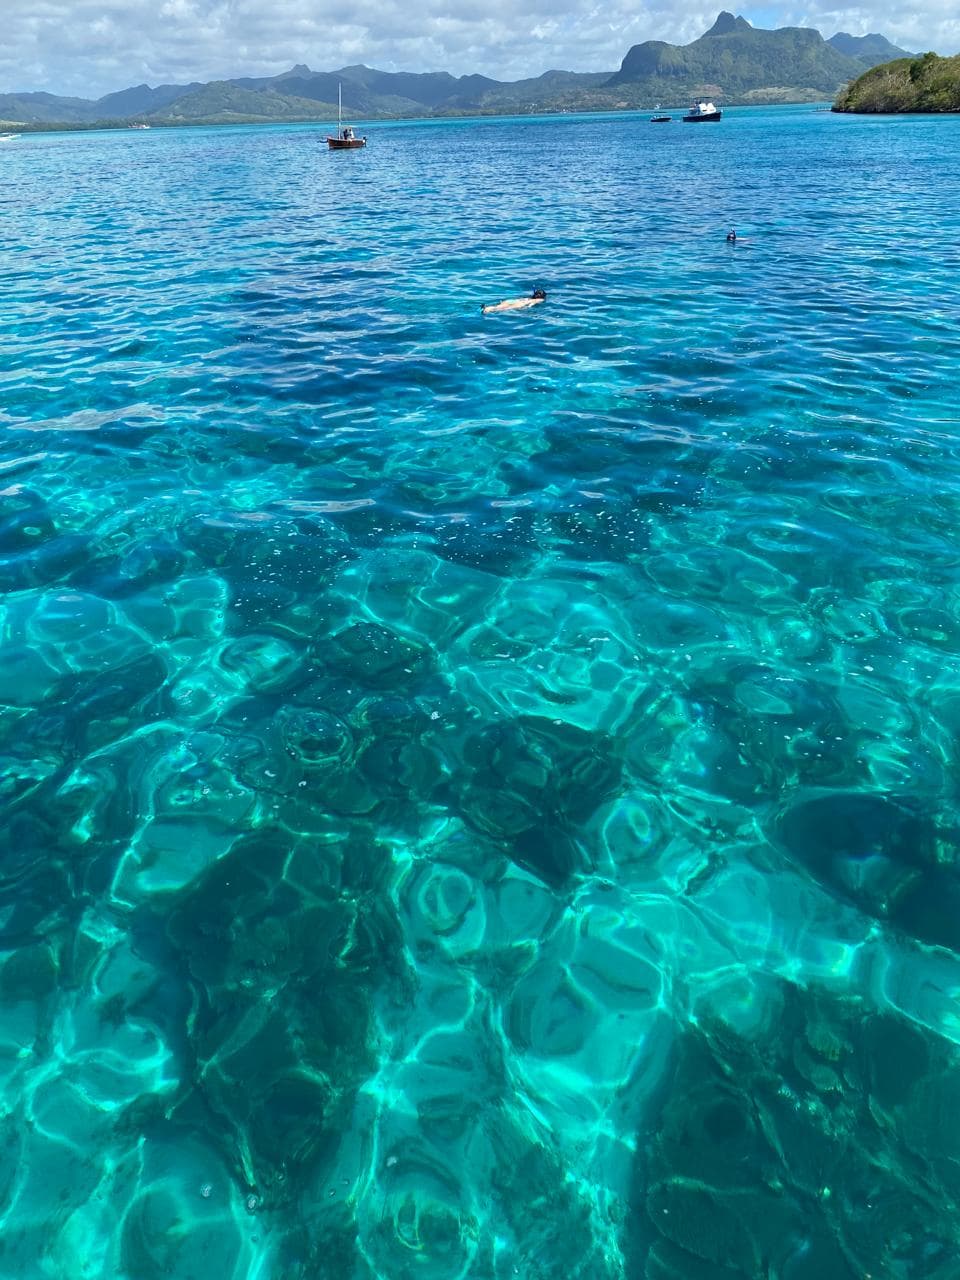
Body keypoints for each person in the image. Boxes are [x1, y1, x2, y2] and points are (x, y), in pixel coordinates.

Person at [481, 288, 547, 315]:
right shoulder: (539, 300)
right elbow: (531, 304)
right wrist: (528, 308)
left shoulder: (530, 297)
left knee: (500, 306)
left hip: (514, 301)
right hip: (521, 303)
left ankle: (487, 308)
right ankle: (486, 310)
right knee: (503, 308)